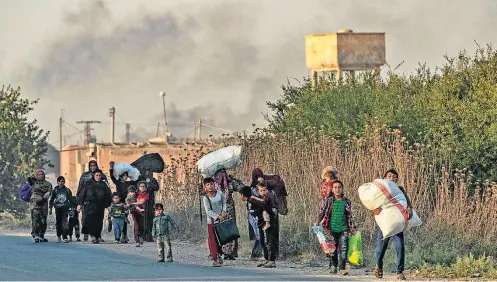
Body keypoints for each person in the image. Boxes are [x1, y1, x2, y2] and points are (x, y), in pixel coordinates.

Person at [374, 169, 413, 281]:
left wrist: (409, 208)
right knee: (381, 248)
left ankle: (400, 272)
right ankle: (379, 266)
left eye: (394, 176)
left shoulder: (400, 190)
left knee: (400, 247)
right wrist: (374, 210)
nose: (392, 178)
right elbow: (373, 202)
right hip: (384, 223)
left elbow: (407, 202)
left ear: (397, 179)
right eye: (389, 176)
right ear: (385, 178)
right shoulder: (381, 190)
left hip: (397, 223)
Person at [316, 180, 357, 276]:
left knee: (343, 249)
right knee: (332, 249)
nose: (337, 189)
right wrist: (318, 221)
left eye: (339, 187)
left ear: (342, 189)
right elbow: (323, 211)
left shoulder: (346, 201)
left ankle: (342, 269)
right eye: (335, 188)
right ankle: (334, 265)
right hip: (332, 229)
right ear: (332, 190)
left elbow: (349, 216)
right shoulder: (329, 201)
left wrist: (352, 228)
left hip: (344, 229)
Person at [251, 168, 288, 258]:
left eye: (260, 176)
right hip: (263, 213)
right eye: (257, 177)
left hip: (271, 211)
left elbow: (266, 201)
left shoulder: (269, 185)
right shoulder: (255, 185)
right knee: (264, 235)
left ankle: (272, 256)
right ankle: (268, 256)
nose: (259, 178)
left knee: (271, 234)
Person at [239, 185, 278, 268]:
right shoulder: (250, 200)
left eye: (240, 195)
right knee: (262, 241)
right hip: (260, 223)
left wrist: (269, 215)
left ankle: (272, 261)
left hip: (267, 222)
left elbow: (264, 203)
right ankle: (266, 258)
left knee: (269, 241)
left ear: (242, 195)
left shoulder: (253, 199)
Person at [77, 169, 112, 244]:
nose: (98, 177)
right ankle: (93, 236)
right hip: (90, 205)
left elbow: (108, 195)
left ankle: (97, 235)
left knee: (99, 221)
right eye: (97, 175)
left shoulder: (103, 184)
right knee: (90, 220)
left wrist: (108, 205)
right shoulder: (88, 183)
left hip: (100, 205)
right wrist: (80, 204)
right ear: (94, 176)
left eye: (99, 175)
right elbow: (82, 194)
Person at [213, 169, 238, 260]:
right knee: (230, 229)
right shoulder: (230, 182)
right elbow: (242, 187)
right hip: (229, 208)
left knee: (222, 229)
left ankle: (222, 251)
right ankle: (230, 252)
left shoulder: (214, 184)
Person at [109, 161, 137, 243]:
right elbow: (112, 177)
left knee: (124, 219)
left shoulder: (129, 183)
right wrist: (111, 168)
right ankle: (118, 235)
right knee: (117, 218)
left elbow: (135, 181)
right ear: (121, 176)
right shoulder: (118, 183)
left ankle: (124, 235)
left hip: (126, 203)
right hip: (118, 203)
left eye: (126, 175)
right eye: (124, 175)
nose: (125, 177)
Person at [202, 177, 227, 267]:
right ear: (205, 187)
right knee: (212, 239)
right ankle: (214, 258)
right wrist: (217, 216)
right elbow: (208, 211)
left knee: (220, 239)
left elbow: (224, 203)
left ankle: (220, 255)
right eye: (208, 185)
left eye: (211, 184)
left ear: (214, 184)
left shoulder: (220, 193)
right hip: (211, 222)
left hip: (221, 220)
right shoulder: (206, 198)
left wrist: (223, 212)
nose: (210, 186)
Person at [30, 169, 53, 243]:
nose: (41, 176)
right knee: (36, 220)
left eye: (42, 174)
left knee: (43, 221)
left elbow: (50, 191)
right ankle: (36, 234)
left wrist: (48, 193)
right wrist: (34, 177)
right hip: (35, 204)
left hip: (44, 204)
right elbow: (29, 179)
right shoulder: (34, 182)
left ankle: (41, 235)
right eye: (39, 174)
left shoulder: (48, 184)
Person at [49, 176, 72, 243]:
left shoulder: (67, 190)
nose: (61, 183)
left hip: (65, 208)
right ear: (57, 182)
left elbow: (71, 200)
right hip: (58, 209)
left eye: (62, 181)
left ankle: (65, 237)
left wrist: (72, 209)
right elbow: (52, 200)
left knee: (65, 223)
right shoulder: (55, 190)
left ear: (64, 182)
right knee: (58, 222)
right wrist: (50, 208)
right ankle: (58, 236)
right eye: (60, 181)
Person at [130, 181, 149, 247]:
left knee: (142, 226)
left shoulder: (146, 194)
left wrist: (133, 203)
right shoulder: (135, 193)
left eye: (144, 186)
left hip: (142, 212)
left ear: (146, 187)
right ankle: (137, 240)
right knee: (136, 225)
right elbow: (129, 199)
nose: (142, 187)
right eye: (141, 186)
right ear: (138, 187)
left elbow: (142, 202)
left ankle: (141, 236)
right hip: (134, 211)